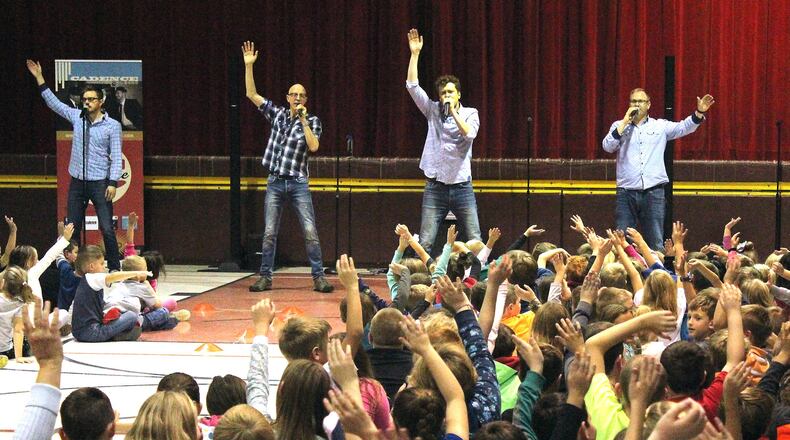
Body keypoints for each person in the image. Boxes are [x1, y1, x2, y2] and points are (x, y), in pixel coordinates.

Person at [241, 41, 333, 293]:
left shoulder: (312, 120)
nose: (297, 98)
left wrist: (304, 121)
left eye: (301, 95)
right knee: (269, 232)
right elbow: (252, 94)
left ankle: (318, 277)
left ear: (306, 100)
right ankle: (265, 277)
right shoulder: (278, 115)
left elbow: (314, 146)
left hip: (298, 183)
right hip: (275, 181)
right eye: (294, 94)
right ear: (287, 98)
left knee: (310, 230)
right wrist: (249, 66)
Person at [26, 59, 123, 271]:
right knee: (73, 227)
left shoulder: (112, 126)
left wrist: (112, 182)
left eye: (91, 99)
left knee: (107, 227)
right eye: (84, 99)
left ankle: (115, 267)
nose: (86, 103)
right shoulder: (77, 117)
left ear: (101, 101)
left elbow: (116, 156)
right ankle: (72, 268)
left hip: (100, 182)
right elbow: (54, 104)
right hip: (78, 182)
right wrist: (40, 78)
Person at [602, 88, 714, 251]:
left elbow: (684, 127)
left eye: (641, 101)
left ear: (648, 104)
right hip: (626, 192)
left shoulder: (660, 126)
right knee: (622, 241)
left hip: (653, 192)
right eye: (633, 101)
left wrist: (699, 112)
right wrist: (624, 122)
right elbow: (607, 146)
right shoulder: (619, 126)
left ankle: (656, 267)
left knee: (655, 241)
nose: (637, 105)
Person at [406, 29, 482, 257]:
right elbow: (412, 87)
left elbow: (469, 134)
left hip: (462, 186)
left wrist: (453, 113)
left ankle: (476, 275)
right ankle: (424, 277)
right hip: (435, 187)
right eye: (442, 93)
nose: (445, 96)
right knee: (426, 241)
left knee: (475, 239)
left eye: (450, 92)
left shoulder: (470, 113)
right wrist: (415, 54)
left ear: (458, 94)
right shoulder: (432, 111)